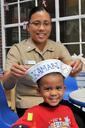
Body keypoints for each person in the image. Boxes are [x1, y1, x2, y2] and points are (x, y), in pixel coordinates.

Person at [2, 6, 82, 117]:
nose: (41, 28)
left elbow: (72, 70)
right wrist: (12, 74)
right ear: (28, 26)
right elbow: (7, 85)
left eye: (46, 23)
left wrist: (78, 66)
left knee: (80, 118)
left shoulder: (58, 47)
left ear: (50, 26)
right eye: (36, 23)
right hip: (28, 105)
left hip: (55, 100)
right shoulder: (17, 50)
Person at [12, 59, 78, 128]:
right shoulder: (32, 112)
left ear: (64, 89)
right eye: (47, 89)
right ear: (39, 91)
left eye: (58, 88)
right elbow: (21, 124)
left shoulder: (67, 110)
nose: (53, 93)